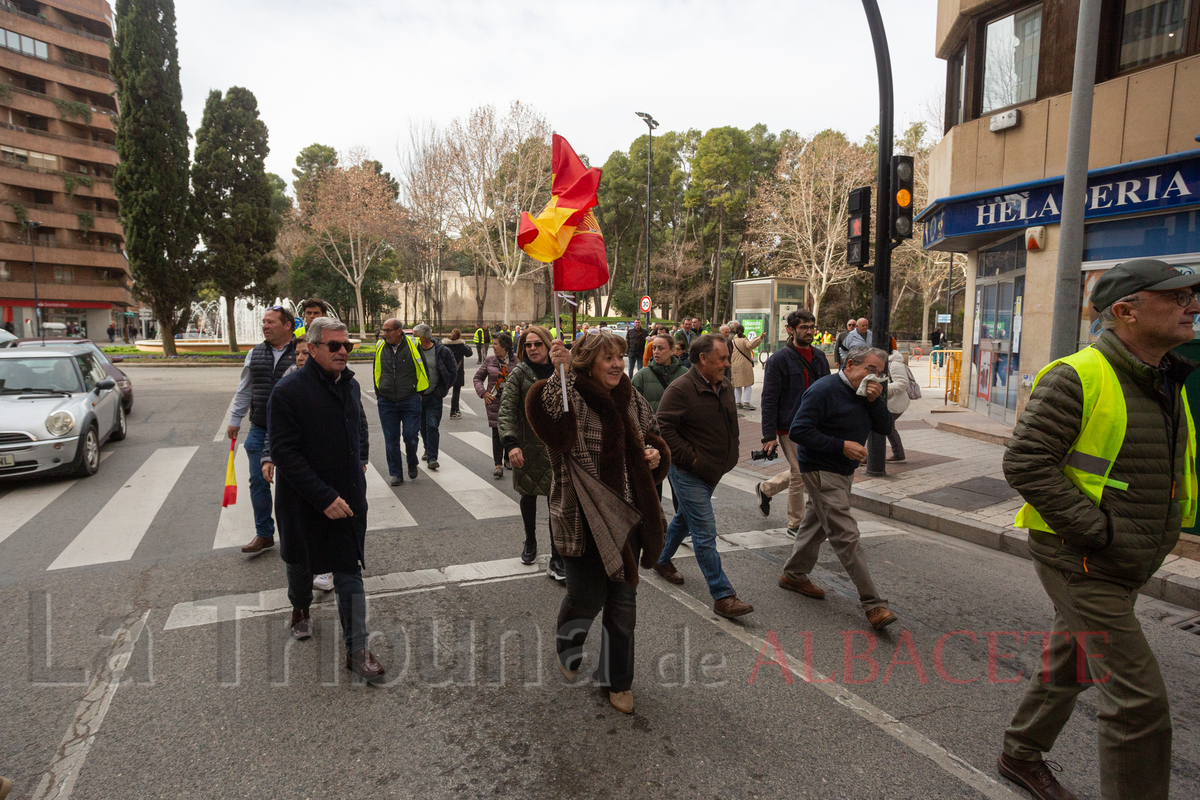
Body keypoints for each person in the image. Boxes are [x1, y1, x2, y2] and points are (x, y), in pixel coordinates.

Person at [997, 259, 1199, 800]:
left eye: (1192, 297)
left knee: (1074, 660)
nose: (1193, 306)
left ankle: (1020, 754)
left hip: (1125, 556)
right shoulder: (1078, 375)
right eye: (1177, 298)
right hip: (1083, 559)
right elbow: (1025, 464)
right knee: (1139, 703)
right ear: (1126, 311)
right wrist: (1100, 532)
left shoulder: (1164, 375)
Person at [526, 329, 669, 714]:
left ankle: (616, 679)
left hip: (628, 518)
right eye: (608, 358)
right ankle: (568, 643)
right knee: (586, 597)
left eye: (620, 357)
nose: (618, 364)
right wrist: (560, 373)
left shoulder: (630, 396)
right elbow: (550, 419)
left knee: (623, 604)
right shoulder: (569, 394)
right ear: (589, 362)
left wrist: (654, 454)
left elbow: (651, 435)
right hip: (582, 516)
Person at [266, 317, 384, 682]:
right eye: (335, 346)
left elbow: (358, 428)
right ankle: (300, 607)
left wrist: (361, 461)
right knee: (302, 564)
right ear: (313, 348)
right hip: (304, 502)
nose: (343, 352)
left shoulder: (350, 386)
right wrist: (322, 496)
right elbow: (285, 453)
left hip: (347, 501)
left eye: (347, 345)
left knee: (349, 571)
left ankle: (357, 649)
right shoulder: (288, 392)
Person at [778, 345, 896, 630]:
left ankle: (793, 575)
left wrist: (876, 401)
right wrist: (841, 446)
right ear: (851, 364)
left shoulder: (869, 393)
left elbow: (884, 427)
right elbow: (799, 431)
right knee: (846, 534)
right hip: (820, 469)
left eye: (880, 373)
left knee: (816, 523)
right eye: (870, 370)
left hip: (843, 471)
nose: (875, 377)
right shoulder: (824, 390)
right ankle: (873, 604)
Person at [654, 334, 754, 619]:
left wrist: (730, 453)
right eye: (722, 358)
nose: (727, 363)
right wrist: (693, 459)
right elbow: (664, 428)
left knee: (684, 520)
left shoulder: (724, 384)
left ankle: (661, 560)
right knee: (704, 531)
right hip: (689, 472)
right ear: (703, 359)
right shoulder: (681, 389)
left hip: (714, 470)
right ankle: (723, 595)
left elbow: (731, 425)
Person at [228, 306, 298, 554]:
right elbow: (244, 388)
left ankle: (295, 533)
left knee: (293, 484)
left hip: (291, 429)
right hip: (259, 427)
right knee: (258, 481)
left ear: (287, 325)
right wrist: (235, 419)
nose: (265, 326)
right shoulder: (254, 354)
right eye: (263, 322)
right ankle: (264, 533)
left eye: (271, 322)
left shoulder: (301, 351)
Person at [756, 309, 830, 538]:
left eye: (811, 327)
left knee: (809, 470)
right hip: (791, 426)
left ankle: (766, 488)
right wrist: (769, 435)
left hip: (817, 425)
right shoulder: (778, 360)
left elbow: (829, 390)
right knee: (799, 472)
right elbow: (769, 398)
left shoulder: (819, 357)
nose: (809, 331)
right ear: (790, 330)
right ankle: (796, 523)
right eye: (804, 327)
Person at [498, 325, 565, 581]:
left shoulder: (561, 371)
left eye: (538, 344)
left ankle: (557, 556)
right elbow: (506, 410)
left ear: (548, 345)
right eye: (528, 345)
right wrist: (511, 443)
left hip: (555, 447)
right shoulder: (519, 373)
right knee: (528, 496)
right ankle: (530, 541)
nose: (533, 349)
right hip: (526, 447)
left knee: (555, 502)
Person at [374, 319, 428, 486]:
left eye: (388, 330)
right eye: (384, 330)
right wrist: (379, 393)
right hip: (386, 400)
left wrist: (419, 393)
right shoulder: (380, 346)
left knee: (410, 436)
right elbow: (376, 370)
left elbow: (423, 367)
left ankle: (412, 462)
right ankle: (396, 473)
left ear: (399, 331)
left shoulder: (413, 345)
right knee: (391, 439)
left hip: (410, 398)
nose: (385, 333)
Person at [474, 332, 516, 479]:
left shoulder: (516, 361)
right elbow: (478, 378)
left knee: (510, 430)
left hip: (512, 401)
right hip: (494, 401)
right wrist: (483, 393)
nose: (493, 346)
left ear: (504, 346)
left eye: (495, 343)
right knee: (497, 432)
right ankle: (498, 465)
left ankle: (507, 458)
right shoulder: (489, 360)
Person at [414, 323, 456, 471]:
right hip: (418, 396)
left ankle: (432, 458)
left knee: (432, 425)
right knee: (422, 427)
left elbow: (452, 372)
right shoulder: (414, 351)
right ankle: (427, 448)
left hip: (434, 396)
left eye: (415, 335)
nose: (413, 338)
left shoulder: (442, 351)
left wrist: (440, 392)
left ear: (423, 337)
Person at [632, 334, 689, 413]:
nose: (656, 352)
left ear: (672, 351)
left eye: (661, 348)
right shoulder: (641, 375)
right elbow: (632, 405)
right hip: (651, 424)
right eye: (654, 348)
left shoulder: (686, 374)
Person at [884, 349, 911, 463]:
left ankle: (871, 456)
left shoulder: (894, 364)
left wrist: (883, 389)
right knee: (889, 427)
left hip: (895, 403)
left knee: (877, 426)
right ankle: (899, 453)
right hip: (888, 402)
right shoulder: (882, 362)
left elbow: (902, 383)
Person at [730, 323, 764, 409]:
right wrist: (760, 338)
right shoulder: (744, 340)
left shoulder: (732, 341)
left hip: (734, 364)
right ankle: (746, 402)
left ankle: (737, 402)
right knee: (748, 384)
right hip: (744, 364)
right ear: (743, 331)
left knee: (737, 385)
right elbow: (750, 345)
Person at [443, 328, 474, 419]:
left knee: (443, 390)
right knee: (456, 391)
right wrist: (466, 346)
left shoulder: (445, 346)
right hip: (458, 371)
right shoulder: (461, 346)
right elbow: (469, 353)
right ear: (459, 336)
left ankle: (452, 409)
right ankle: (454, 410)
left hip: (446, 371)